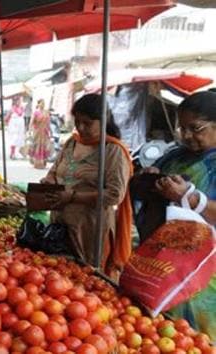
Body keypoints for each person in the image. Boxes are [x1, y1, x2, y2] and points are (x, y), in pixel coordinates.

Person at [132, 91, 215, 339]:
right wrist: (151, 177)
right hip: (164, 259)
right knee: (160, 332)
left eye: (196, 128)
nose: (187, 135)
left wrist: (191, 198)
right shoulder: (175, 155)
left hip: (204, 270)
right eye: (182, 128)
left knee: (196, 336)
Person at [41, 93, 133, 278]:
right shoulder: (72, 143)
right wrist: (49, 182)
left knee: (87, 276)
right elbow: (55, 171)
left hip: (90, 228)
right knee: (59, 274)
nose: (81, 128)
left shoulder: (112, 150)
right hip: (60, 222)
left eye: (88, 123)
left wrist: (73, 197)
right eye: (78, 122)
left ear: (104, 120)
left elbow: (115, 194)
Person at [29, 99, 53, 169]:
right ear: (38, 104)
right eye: (41, 103)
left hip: (45, 132)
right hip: (37, 132)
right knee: (37, 146)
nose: (43, 105)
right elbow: (31, 122)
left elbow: (48, 123)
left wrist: (50, 131)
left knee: (44, 146)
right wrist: (30, 130)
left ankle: (43, 161)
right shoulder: (36, 112)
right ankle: (37, 163)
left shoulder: (46, 112)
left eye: (44, 103)